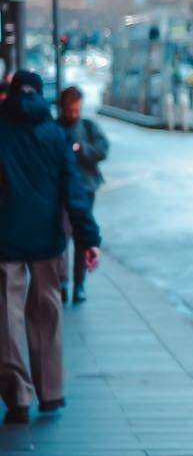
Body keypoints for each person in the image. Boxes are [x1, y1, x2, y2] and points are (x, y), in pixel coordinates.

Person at [0, 72, 100, 424]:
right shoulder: (55, 135)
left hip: (5, 240)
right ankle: (51, 393)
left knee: (6, 319)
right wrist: (88, 239)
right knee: (47, 314)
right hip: (47, 239)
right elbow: (74, 192)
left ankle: (17, 396)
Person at [56, 88, 108, 305]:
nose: (73, 113)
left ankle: (79, 284)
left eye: (76, 109)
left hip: (85, 188)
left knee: (81, 239)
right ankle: (62, 283)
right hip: (60, 192)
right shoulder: (54, 128)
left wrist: (81, 149)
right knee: (60, 238)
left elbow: (102, 150)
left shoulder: (88, 127)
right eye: (69, 109)